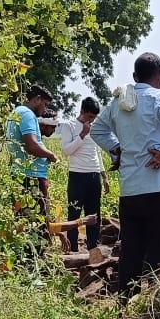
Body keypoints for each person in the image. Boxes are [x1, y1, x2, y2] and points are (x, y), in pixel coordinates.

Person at [91, 52, 160, 295]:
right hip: (159, 188)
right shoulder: (158, 97)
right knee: (159, 250)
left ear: (134, 76)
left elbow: (97, 130)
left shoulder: (117, 103)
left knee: (131, 249)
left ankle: (126, 304)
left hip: (130, 189)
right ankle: (154, 308)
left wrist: (116, 149)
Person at [57, 97, 106, 252]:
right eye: (89, 117)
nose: (91, 121)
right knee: (74, 211)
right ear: (82, 112)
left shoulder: (94, 128)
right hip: (77, 174)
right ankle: (72, 247)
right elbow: (67, 151)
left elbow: (96, 152)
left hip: (94, 174)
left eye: (94, 118)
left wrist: (103, 176)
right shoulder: (69, 126)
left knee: (94, 212)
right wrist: (82, 135)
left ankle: (92, 246)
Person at [5, 85, 59, 224]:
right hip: (31, 177)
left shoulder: (17, 112)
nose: (45, 109)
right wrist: (51, 155)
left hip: (21, 174)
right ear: (37, 99)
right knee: (37, 225)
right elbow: (32, 146)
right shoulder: (27, 114)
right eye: (45, 104)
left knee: (24, 222)